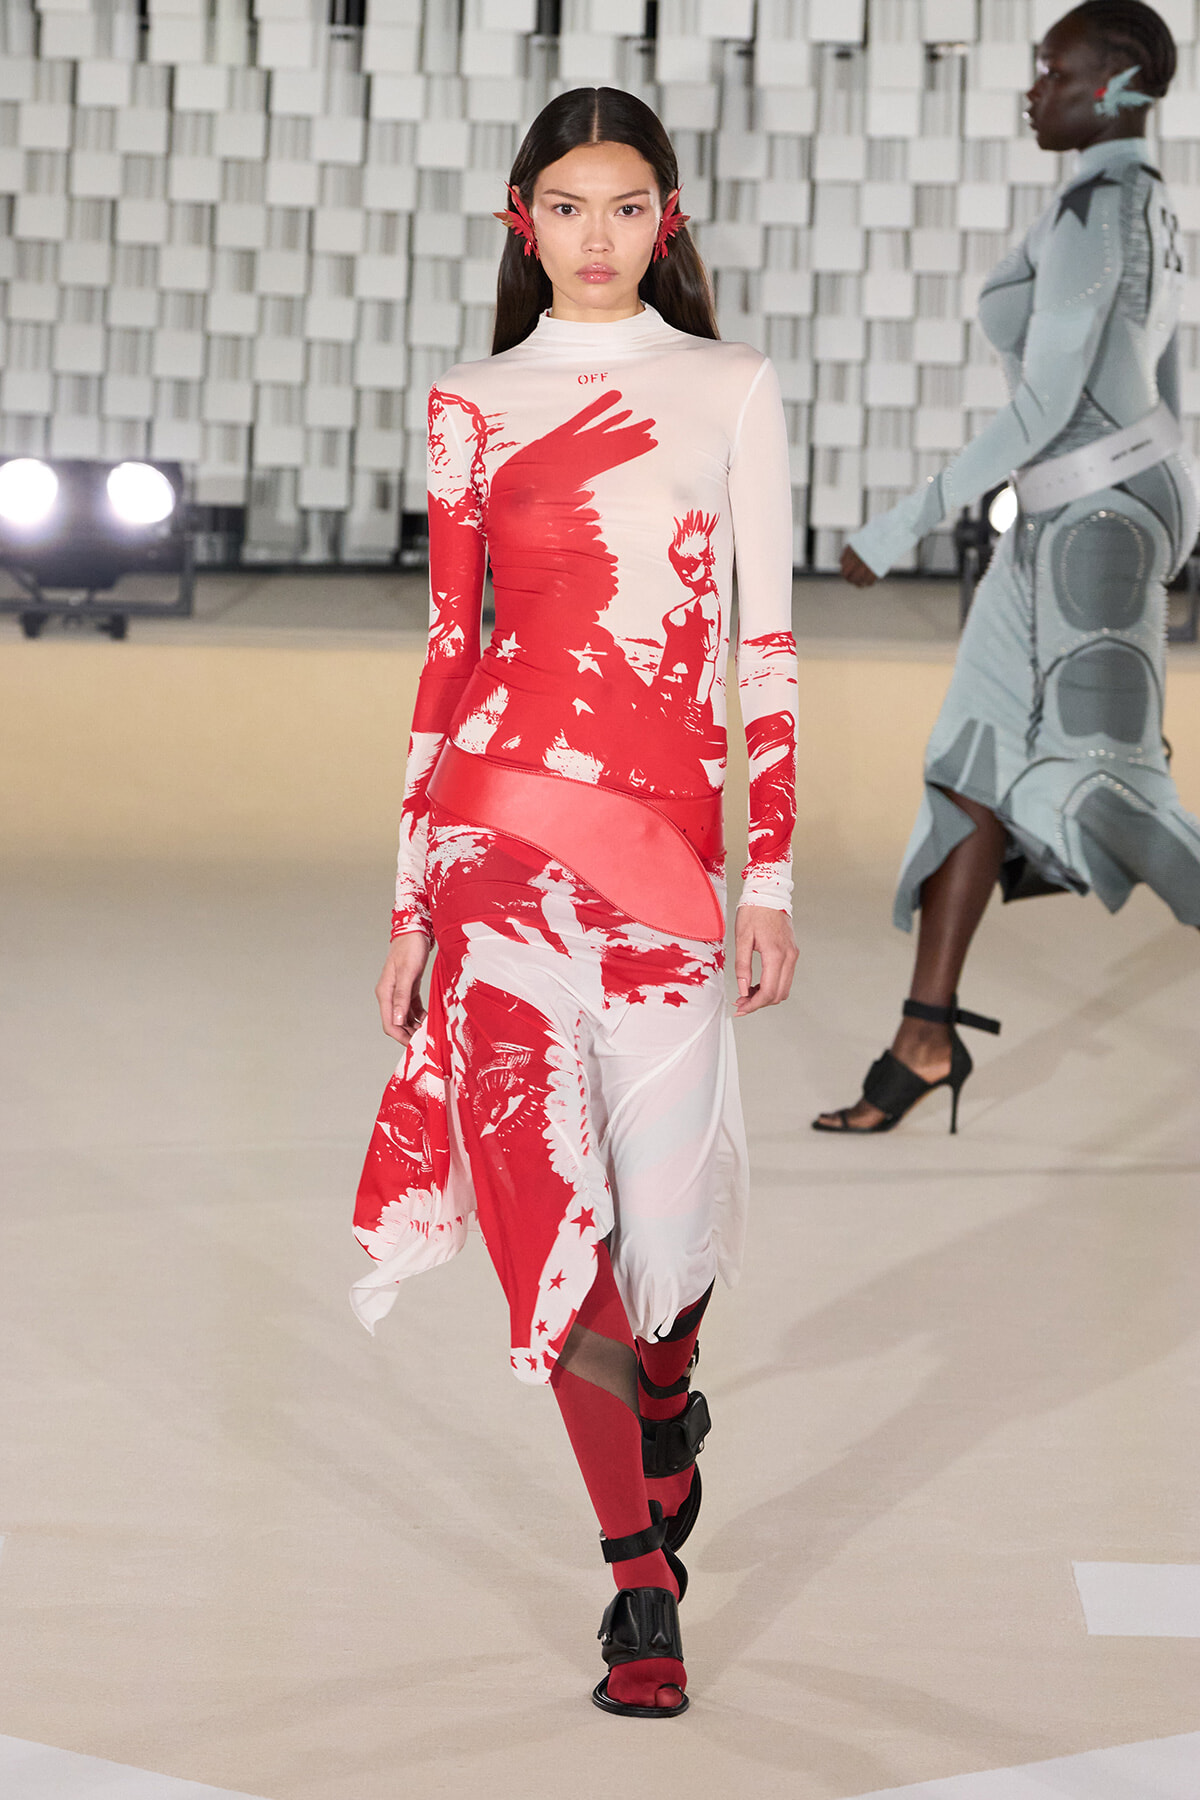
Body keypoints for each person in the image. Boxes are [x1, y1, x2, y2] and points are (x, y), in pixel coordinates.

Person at [350, 88, 799, 1716]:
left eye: (625, 207)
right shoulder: (470, 403)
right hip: (493, 862)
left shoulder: (731, 389)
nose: (594, 238)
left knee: (664, 1242)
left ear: (665, 219)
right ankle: (637, 1585)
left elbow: (761, 649)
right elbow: (448, 653)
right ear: (516, 222)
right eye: (564, 207)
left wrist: (776, 877)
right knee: (552, 1219)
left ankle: (668, 1392)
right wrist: (411, 901)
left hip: (668, 868)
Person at [816, 0, 1200, 1135]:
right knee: (972, 762)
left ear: (1116, 87)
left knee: (1102, 787)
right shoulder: (1126, 202)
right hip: (1061, 528)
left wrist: (902, 527)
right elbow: (1146, 375)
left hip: (1088, 536)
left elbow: (1047, 402)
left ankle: (927, 1035)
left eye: (1051, 69)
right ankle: (924, 1039)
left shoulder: (1108, 208)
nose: (1031, 87)